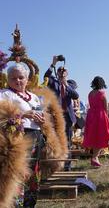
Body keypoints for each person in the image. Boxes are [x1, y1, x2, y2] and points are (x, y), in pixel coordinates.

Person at [0, 63, 45, 207]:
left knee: (33, 172)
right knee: (18, 173)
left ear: (27, 79)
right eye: (13, 78)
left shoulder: (34, 97)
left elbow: (41, 114)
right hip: (17, 138)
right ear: (8, 79)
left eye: (21, 77)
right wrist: (25, 114)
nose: (18, 81)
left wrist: (43, 121)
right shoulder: (5, 94)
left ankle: (30, 204)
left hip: (36, 136)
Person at [44, 56, 79, 171]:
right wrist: (53, 64)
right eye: (59, 71)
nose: (61, 72)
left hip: (67, 117)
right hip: (55, 116)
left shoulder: (71, 83)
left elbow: (75, 95)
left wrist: (66, 84)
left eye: (63, 71)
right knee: (55, 140)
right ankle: (56, 165)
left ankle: (67, 166)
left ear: (67, 73)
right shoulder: (53, 81)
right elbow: (46, 77)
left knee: (67, 140)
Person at [82, 76, 109, 166]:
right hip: (100, 116)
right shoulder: (102, 93)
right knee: (101, 136)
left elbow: (91, 104)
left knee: (94, 137)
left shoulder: (90, 93)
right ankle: (95, 157)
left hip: (91, 115)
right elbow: (105, 107)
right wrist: (108, 117)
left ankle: (95, 158)